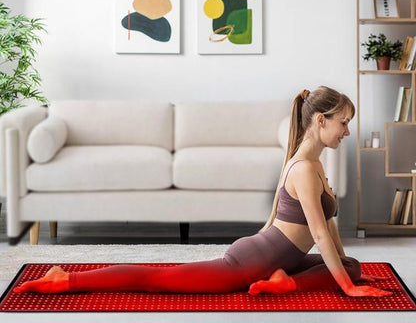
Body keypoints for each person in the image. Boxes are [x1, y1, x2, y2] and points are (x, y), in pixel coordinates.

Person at [13, 86, 391, 297]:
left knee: (353, 267)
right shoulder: (305, 168)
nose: (346, 131)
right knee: (158, 279)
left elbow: (328, 231)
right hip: (253, 259)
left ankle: (286, 280)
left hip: (281, 256)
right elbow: (320, 234)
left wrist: (346, 273)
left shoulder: (313, 164)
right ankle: (68, 279)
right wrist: (349, 291)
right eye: (343, 123)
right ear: (320, 121)